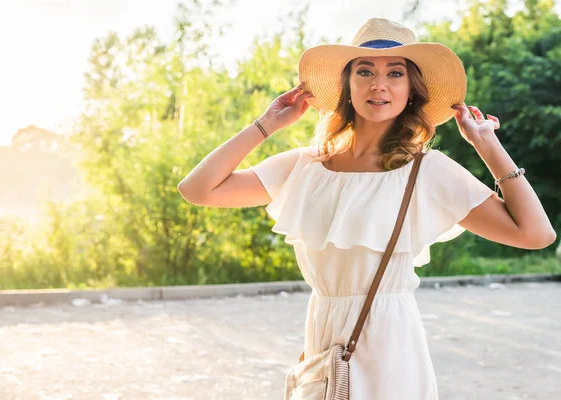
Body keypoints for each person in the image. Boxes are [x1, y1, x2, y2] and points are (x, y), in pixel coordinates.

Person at [177, 18, 556, 399]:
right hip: (323, 344)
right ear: (347, 86)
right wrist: (264, 125)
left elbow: (536, 234)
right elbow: (198, 189)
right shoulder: (304, 167)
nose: (379, 84)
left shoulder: (427, 171)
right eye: (365, 71)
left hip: (390, 348)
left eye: (395, 73)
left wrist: (487, 146)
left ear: (412, 91)